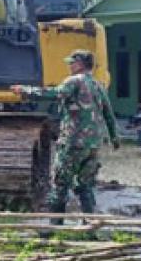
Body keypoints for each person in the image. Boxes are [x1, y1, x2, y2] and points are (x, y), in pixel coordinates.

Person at [11, 49, 120, 223]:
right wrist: (114, 138)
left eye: (72, 62)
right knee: (86, 186)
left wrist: (25, 91)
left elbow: (53, 94)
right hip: (93, 145)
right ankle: (89, 226)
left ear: (80, 64)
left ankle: (56, 225)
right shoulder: (98, 85)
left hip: (73, 142)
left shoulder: (74, 82)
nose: (69, 65)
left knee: (60, 184)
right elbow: (109, 113)